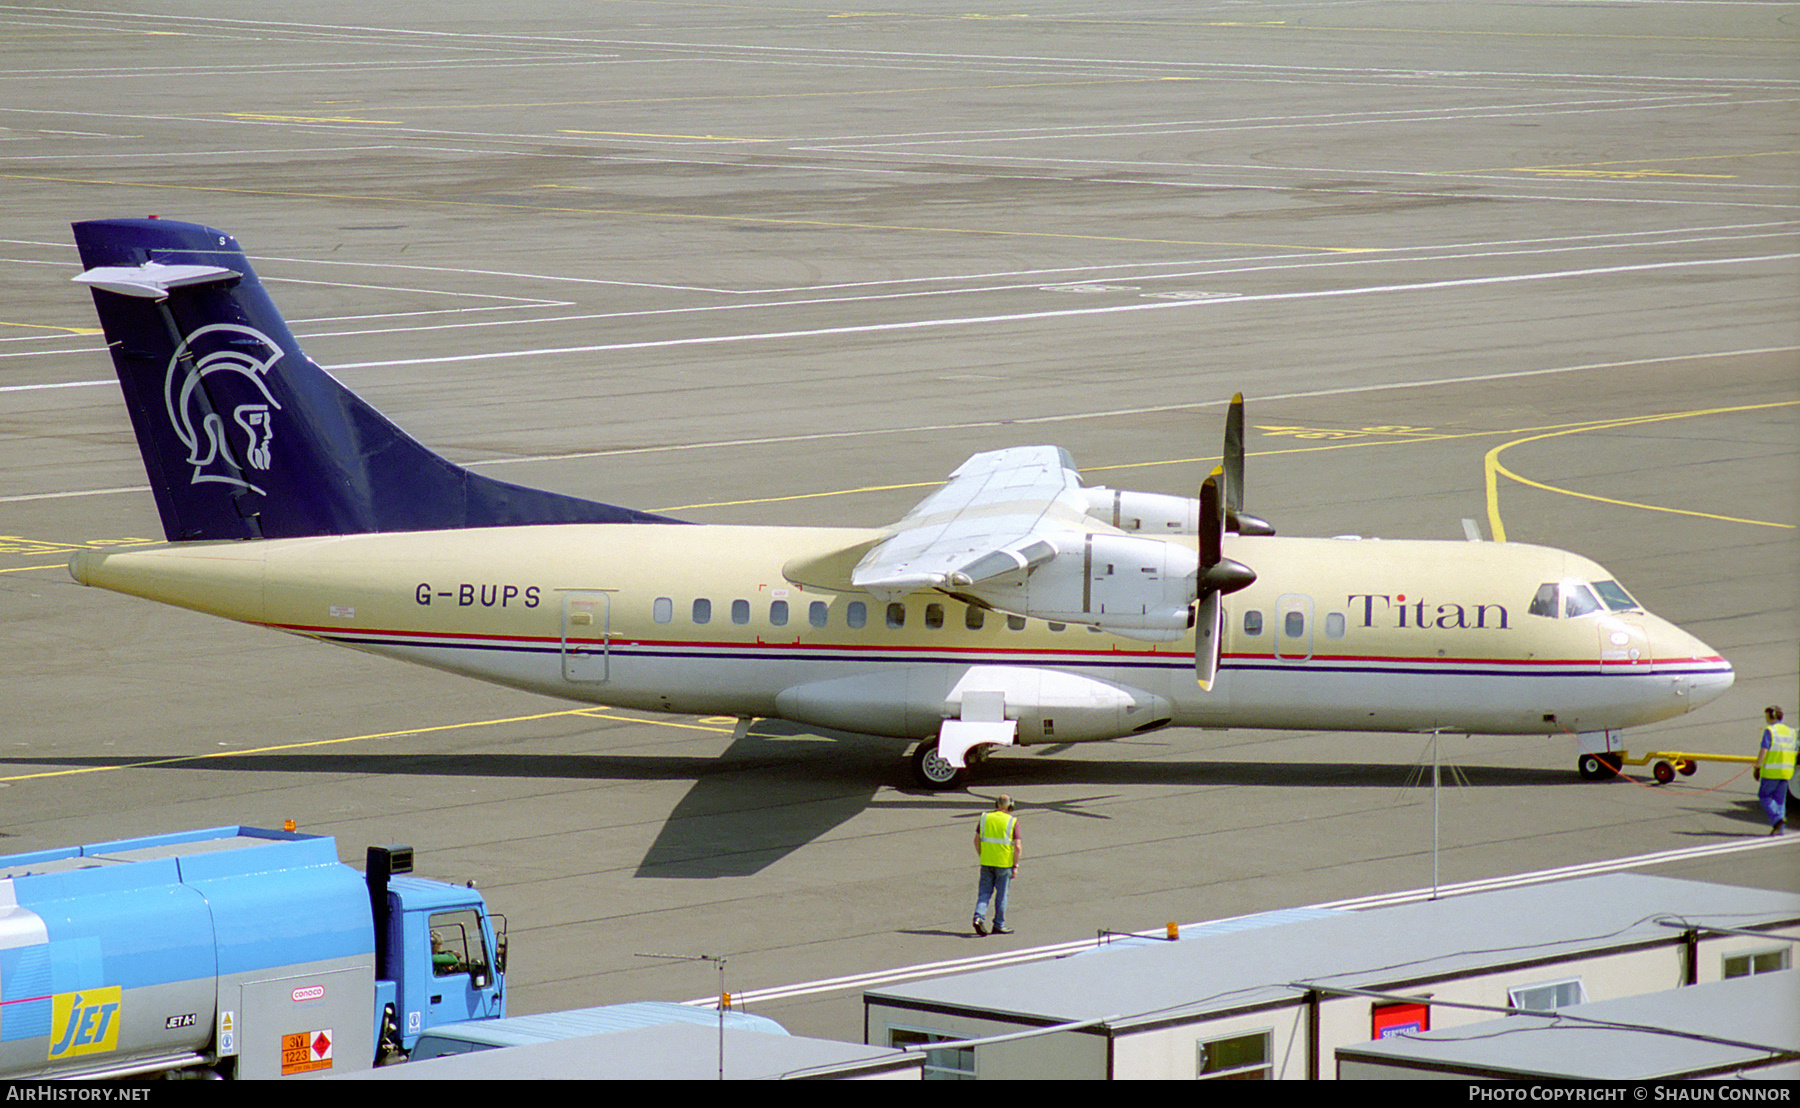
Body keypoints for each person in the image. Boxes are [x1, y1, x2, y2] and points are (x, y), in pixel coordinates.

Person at [972, 795, 1022, 936]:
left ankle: (978, 917)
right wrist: (1015, 865)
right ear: (1010, 806)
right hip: (1004, 863)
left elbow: (976, 840)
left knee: (984, 893)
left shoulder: (984, 818)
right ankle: (999, 924)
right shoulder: (1012, 821)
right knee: (1002, 895)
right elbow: (1017, 847)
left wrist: (983, 855)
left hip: (987, 862)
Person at [1754, 706, 1795, 835]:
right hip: (1786, 771)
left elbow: (1764, 749)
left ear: (1772, 716)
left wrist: (1757, 766)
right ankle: (1780, 829)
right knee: (1779, 800)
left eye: (1766, 716)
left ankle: (1777, 820)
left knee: (1764, 796)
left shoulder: (1770, 731)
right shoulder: (1791, 732)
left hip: (1772, 771)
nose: (1766, 719)